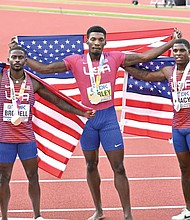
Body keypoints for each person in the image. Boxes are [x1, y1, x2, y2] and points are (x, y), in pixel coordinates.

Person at [9, 25, 181, 220]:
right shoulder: (75, 61)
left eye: (100, 40)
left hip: (108, 120)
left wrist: (172, 42)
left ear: (105, 42)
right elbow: (45, 69)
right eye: (93, 39)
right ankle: (98, 210)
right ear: (87, 42)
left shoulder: (115, 58)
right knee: (91, 165)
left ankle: (128, 215)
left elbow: (143, 58)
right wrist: (21, 51)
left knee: (119, 167)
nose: (97, 43)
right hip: (88, 120)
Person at [0, 46, 95, 220]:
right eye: (14, 57)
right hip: (4, 139)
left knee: (33, 176)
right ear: (8, 60)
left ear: (25, 60)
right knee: (3, 178)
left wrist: (82, 112)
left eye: (21, 57)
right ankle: (4, 216)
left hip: (26, 139)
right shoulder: (1, 78)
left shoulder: (33, 83)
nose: (17, 60)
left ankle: (37, 215)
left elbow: (57, 101)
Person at [124, 38, 190, 220]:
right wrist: (122, 66)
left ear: (189, 53)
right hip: (177, 128)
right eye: (175, 51)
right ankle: (189, 210)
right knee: (185, 170)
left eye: (182, 50)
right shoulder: (169, 71)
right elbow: (145, 76)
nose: (178, 54)